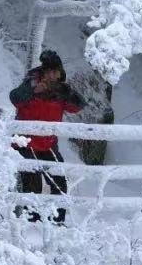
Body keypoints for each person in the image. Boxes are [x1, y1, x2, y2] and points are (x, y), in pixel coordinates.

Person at [9, 49, 86, 222]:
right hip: (25, 143)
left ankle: (58, 222)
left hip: (48, 144)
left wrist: (67, 92)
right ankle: (31, 222)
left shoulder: (60, 91)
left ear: (60, 73)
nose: (52, 75)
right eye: (49, 71)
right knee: (32, 185)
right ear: (43, 71)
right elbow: (14, 98)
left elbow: (79, 105)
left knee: (59, 183)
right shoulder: (31, 83)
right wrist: (33, 91)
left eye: (55, 72)